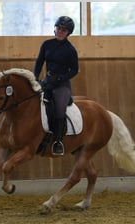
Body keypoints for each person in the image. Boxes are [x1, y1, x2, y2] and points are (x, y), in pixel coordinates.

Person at [34, 16, 79, 156]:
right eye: (58, 28)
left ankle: (58, 141)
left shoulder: (70, 50)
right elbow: (39, 62)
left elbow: (74, 70)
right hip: (46, 82)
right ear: (55, 28)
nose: (60, 31)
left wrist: (60, 78)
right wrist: (34, 78)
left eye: (64, 30)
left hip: (62, 85)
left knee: (60, 109)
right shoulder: (46, 44)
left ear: (68, 33)